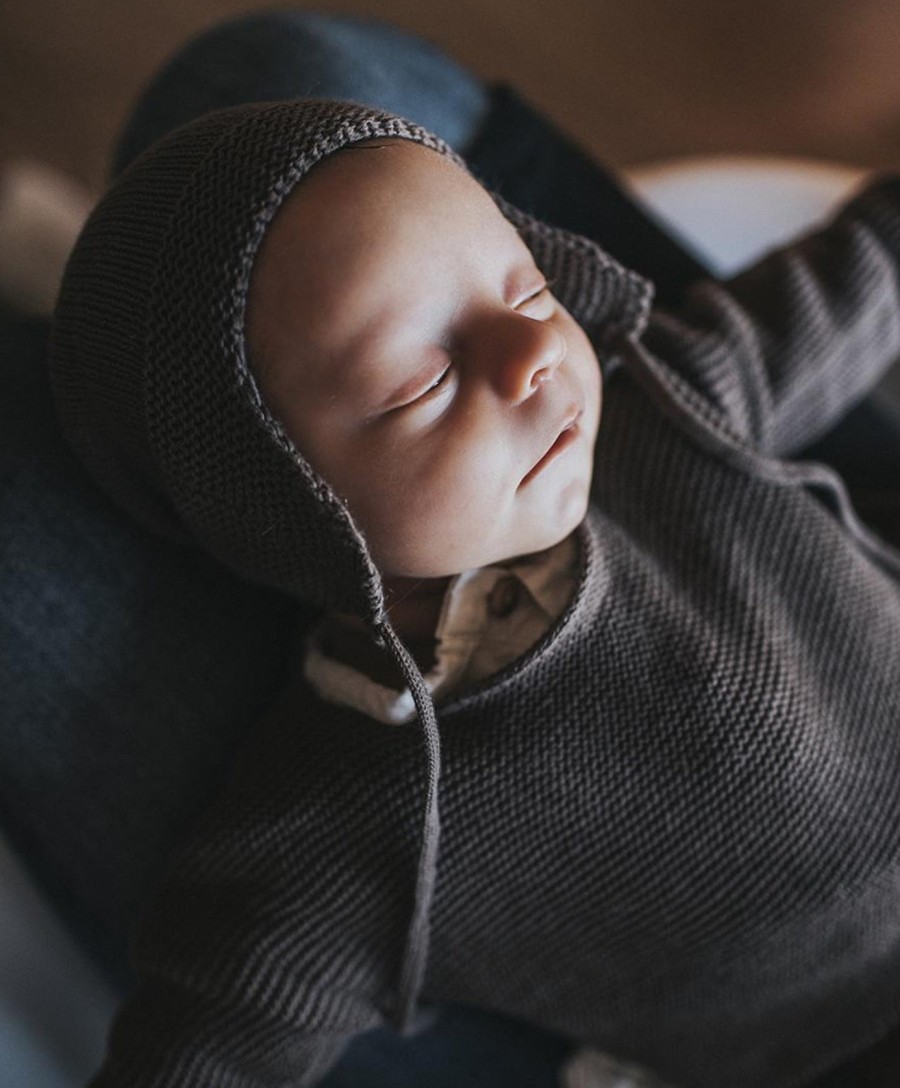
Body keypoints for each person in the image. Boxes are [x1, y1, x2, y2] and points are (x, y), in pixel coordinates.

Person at [17, 9, 900, 1088]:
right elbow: (209, 1046)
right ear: (291, 510)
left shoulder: (670, 408)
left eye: (526, 283)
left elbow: (855, 283)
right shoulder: (354, 827)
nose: (537, 346)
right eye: (424, 381)